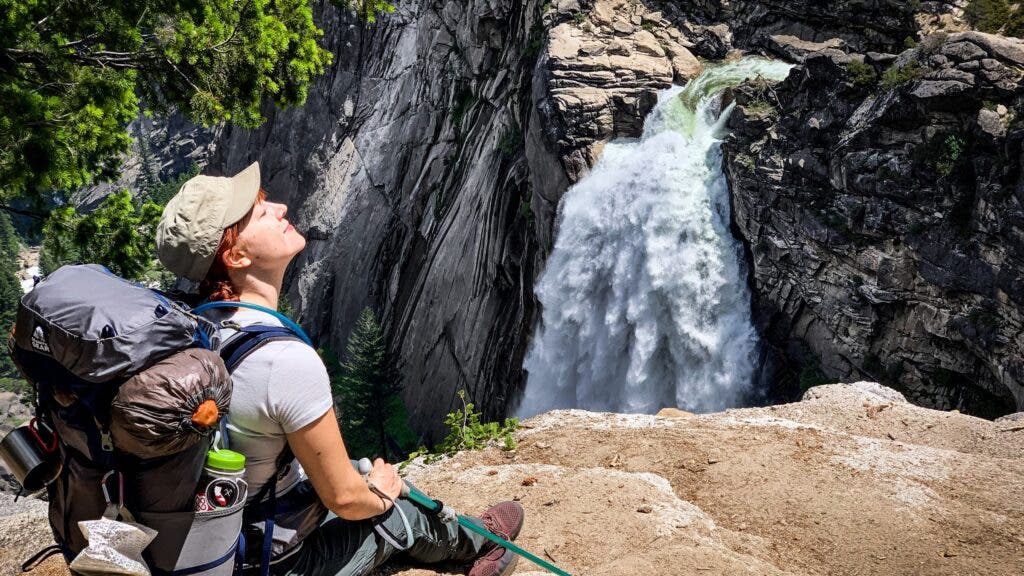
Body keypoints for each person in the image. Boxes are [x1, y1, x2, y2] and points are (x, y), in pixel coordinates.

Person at [155, 161, 524, 576]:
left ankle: (470, 537)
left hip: (221, 531)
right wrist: (385, 494)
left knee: (363, 476)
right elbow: (345, 499)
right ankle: (483, 549)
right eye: (260, 212)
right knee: (392, 508)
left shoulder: (196, 325)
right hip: (264, 560)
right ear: (236, 255)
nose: (279, 207)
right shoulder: (282, 360)